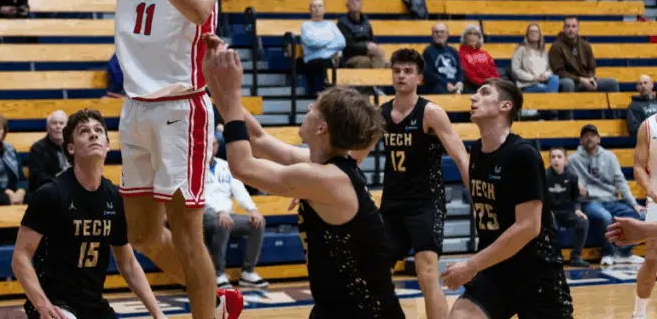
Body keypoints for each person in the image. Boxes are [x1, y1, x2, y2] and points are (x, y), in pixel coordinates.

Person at [18, 0, 241, 319]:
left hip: (182, 107)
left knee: (186, 231)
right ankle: (216, 300)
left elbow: (199, 8)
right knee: (140, 233)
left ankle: (207, 312)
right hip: (136, 106)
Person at [200, 35, 401, 316]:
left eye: (315, 107)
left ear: (322, 128)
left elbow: (243, 166)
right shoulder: (322, 165)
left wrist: (232, 93)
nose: (308, 108)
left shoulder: (328, 179)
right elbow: (257, 139)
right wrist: (212, 81)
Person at [437, 79, 573, 318]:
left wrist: (471, 266)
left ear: (505, 106)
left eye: (484, 93)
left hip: (536, 272)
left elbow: (528, 227)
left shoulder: (524, 155)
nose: (473, 97)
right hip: (495, 270)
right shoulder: (477, 151)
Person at [13, 109, 165, 319]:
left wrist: (158, 313)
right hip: (53, 302)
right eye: (84, 131)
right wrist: (42, 305)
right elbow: (20, 257)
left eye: (98, 130)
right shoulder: (50, 194)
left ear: (107, 144)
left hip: (93, 303)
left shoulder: (115, 197)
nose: (93, 134)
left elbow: (128, 264)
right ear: (71, 148)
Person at [360, 49, 470, 319]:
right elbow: (355, 155)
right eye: (397, 70)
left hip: (426, 204)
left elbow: (460, 156)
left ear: (419, 78)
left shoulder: (431, 112)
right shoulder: (382, 114)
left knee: (427, 271)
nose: (401, 76)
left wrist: (476, 195)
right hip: (392, 204)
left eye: (408, 71)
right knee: (372, 269)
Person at [568, 124, 643, 266]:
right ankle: (608, 253)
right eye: (586, 136)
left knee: (641, 215)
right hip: (590, 201)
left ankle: (624, 253)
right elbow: (573, 185)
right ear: (581, 140)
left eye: (592, 135)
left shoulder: (610, 156)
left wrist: (634, 204)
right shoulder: (573, 160)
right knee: (605, 217)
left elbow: (620, 181)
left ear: (599, 139)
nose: (589, 138)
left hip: (612, 200)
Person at [202, 133, 267, 289]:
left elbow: (239, 189)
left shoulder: (225, 165)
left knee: (257, 223)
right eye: (209, 143)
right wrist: (219, 211)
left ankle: (248, 272)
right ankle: (218, 274)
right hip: (204, 215)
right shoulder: (193, 167)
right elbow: (201, 195)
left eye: (215, 144)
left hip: (227, 215)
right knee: (222, 223)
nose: (211, 147)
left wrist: (252, 209)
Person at [549, 16, 619, 96]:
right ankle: (568, 104)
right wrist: (580, 79)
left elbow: (591, 68)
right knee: (568, 83)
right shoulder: (556, 46)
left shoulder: (585, 45)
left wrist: (590, 78)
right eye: (567, 26)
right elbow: (559, 72)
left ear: (578, 28)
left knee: (612, 83)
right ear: (563, 28)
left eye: (573, 26)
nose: (571, 29)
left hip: (586, 80)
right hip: (570, 81)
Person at [544, 148, 589, 268]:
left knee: (583, 221)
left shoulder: (572, 176)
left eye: (559, 157)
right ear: (549, 160)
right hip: (550, 211)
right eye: (553, 157)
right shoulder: (544, 176)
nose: (556, 160)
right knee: (549, 224)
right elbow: (540, 198)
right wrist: (546, 211)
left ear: (565, 160)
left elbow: (576, 197)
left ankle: (576, 257)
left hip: (567, 212)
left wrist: (578, 209)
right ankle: (554, 256)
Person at [632, 112, 657, 318]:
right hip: (656, 201)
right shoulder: (647, 127)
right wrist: (650, 189)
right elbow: (639, 166)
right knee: (652, 259)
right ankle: (638, 314)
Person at [299, 0, 344, 96]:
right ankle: (328, 95)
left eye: (320, 6)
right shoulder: (306, 26)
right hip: (313, 60)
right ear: (310, 10)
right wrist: (331, 41)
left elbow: (341, 42)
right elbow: (312, 43)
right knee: (325, 62)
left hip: (332, 59)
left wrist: (322, 42)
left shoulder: (331, 25)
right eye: (314, 6)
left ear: (324, 9)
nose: (317, 8)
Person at [338, 0, 386, 69]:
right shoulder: (342, 23)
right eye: (352, 1)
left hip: (368, 54)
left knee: (388, 63)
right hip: (351, 57)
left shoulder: (366, 22)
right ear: (347, 5)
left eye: (357, 1)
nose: (355, 3)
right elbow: (348, 46)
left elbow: (373, 40)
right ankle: (378, 76)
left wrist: (373, 47)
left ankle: (378, 75)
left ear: (361, 4)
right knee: (370, 61)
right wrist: (366, 47)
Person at [26, 111, 71, 192]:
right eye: (54, 123)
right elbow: (37, 178)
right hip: (48, 191)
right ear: (48, 128)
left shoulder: (72, 147)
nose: (58, 126)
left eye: (61, 123)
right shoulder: (38, 149)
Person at [510, 23, 558, 94]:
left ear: (539, 35)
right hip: (528, 84)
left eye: (536, 31)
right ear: (527, 35)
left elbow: (550, 69)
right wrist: (533, 78)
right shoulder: (521, 50)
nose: (533, 33)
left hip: (544, 81)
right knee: (546, 89)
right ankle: (552, 97)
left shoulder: (544, 52)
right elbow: (515, 70)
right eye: (531, 32)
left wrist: (545, 75)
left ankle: (551, 96)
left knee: (555, 78)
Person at [422, 23, 463, 95]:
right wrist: (446, 83)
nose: (439, 34)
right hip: (438, 86)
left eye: (442, 32)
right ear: (432, 35)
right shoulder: (428, 51)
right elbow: (429, 74)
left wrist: (460, 82)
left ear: (447, 34)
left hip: (454, 85)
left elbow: (460, 70)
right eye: (436, 32)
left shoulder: (453, 50)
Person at [458, 25, 498, 92]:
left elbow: (494, 71)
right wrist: (486, 84)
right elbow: (469, 75)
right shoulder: (461, 54)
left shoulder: (485, 54)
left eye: (475, 34)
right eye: (469, 34)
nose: (472, 36)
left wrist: (494, 83)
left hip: (490, 85)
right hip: (475, 87)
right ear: (465, 38)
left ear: (479, 38)